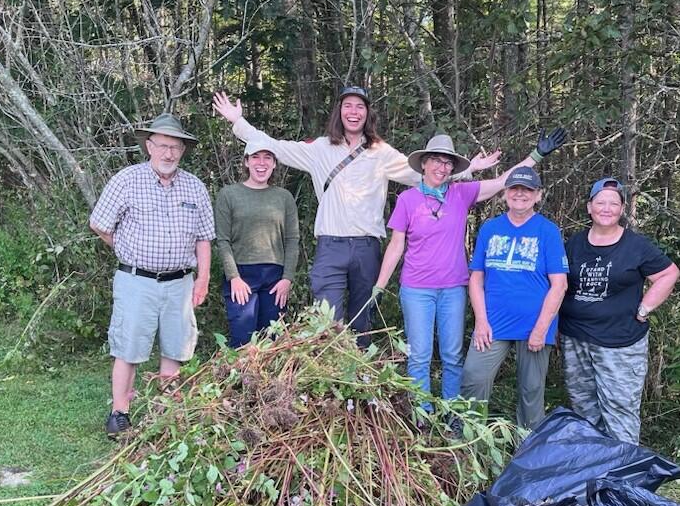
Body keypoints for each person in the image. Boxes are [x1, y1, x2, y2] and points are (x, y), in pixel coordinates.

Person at [212, 87, 498, 347]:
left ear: (367, 114)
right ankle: (330, 388)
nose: (353, 112)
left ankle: (358, 388)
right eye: (348, 105)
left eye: (360, 107)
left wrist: (467, 169)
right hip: (330, 246)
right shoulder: (319, 149)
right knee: (326, 322)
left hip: (366, 247)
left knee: (362, 319)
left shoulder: (381, 152)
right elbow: (275, 146)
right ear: (339, 112)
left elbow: (422, 175)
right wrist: (238, 122)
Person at [374, 129, 566, 403]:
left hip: (453, 288)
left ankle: (453, 415)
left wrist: (536, 155)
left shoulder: (461, 193)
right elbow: (396, 246)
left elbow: (504, 181)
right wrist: (379, 286)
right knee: (419, 356)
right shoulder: (407, 200)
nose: (441, 167)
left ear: (453, 168)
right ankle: (422, 415)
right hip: (416, 289)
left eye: (447, 162)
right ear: (424, 164)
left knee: (453, 356)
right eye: (436, 161)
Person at [89, 113, 215, 437]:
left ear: (182, 150)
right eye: (162, 146)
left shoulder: (195, 187)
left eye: (175, 147)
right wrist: (125, 247)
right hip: (136, 281)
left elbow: (204, 238)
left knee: (175, 348)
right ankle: (120, 414)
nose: (168, 153)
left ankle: (165, 413)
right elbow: (100, 224)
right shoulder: (127, 180)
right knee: (128, 347)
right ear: (149, 146)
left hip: (180, 282)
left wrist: (202, 279)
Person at [558, 177, 680, 444]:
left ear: (622, 209)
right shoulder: (573, 244)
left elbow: (669, 274)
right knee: (584, 411)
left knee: (620, 411)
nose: (606, 208)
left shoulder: (636, 246)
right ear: (589, 207)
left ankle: (624, 478)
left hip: (620, 342)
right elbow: (558, 284)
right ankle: (592, 471)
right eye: (600, 202)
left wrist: (645, 308)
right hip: (576, 339)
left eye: (614, 203)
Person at [459, 167, 569, 430]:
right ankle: (466, 445)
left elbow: (559, 285)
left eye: (527, 189)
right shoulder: (490, 228)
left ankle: (528, 454)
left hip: (535, 325)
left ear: (538, 195)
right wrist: (481, 321)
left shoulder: (548, 231)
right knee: (473, 376)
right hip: (492, 323)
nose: (520, 194)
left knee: (531, 391)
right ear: (505, 193)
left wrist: (541, 329)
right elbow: (476, 278)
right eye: (514, 188)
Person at [214, 138, 299, 347]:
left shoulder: (284, 197)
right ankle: (240, 380)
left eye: (267, 158)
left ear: (274, 163)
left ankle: (271, 381)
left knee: (272, 340)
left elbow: (292, 239)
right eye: (256, 157)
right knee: (243, 340)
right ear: (246, 162)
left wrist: (287, 278)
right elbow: (222, 240)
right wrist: (233, 277)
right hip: (242, 276)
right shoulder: (229, 195)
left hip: (275, 278)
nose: (261, 163)